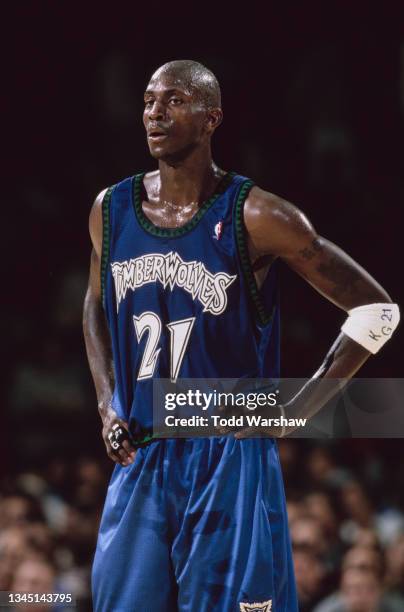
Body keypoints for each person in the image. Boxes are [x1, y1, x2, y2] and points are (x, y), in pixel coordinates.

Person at [83, 59, 399, 612]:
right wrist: (108, 403)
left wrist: (300, 411)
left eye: (175, 100)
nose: (155, 113)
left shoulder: (259, 215)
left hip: (228, 452)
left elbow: (377, 309)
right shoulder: (110, 209)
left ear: (212, 118)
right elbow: (94, 302)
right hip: (143, 452)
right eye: (149, 101)